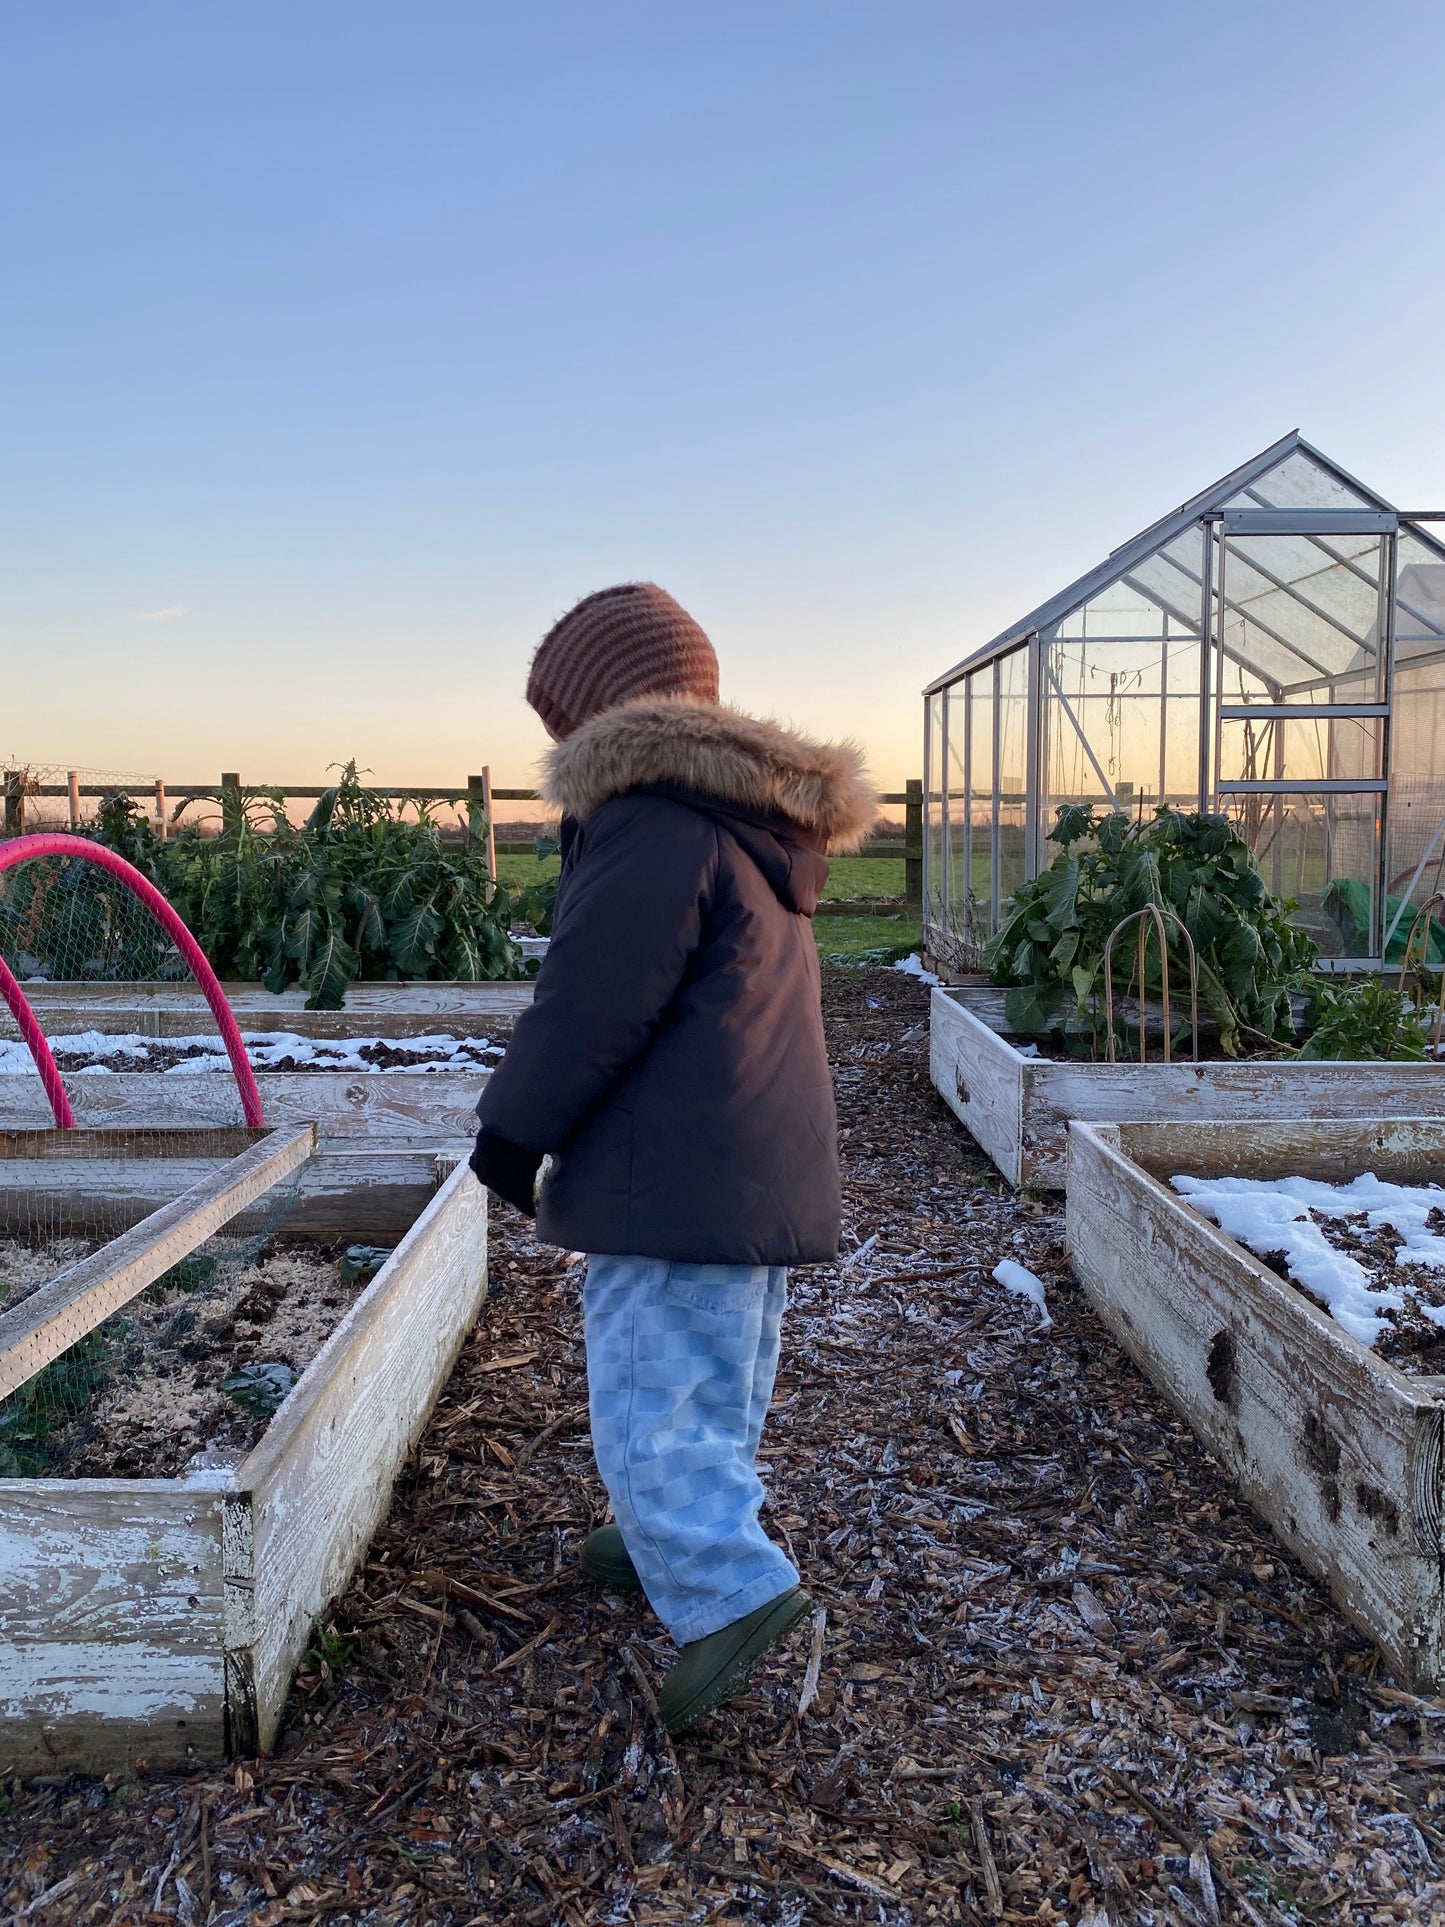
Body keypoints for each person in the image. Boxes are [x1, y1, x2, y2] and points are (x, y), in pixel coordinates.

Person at [471, 582, 873, 1734]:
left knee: (649, 1385)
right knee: (711, 1374)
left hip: (671, 1177)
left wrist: (515, 1130)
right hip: (745, 1168)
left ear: (596, 713)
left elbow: (592, 994)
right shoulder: (747, 816)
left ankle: (724, 1595)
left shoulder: (649, 817)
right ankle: (670, 1530)